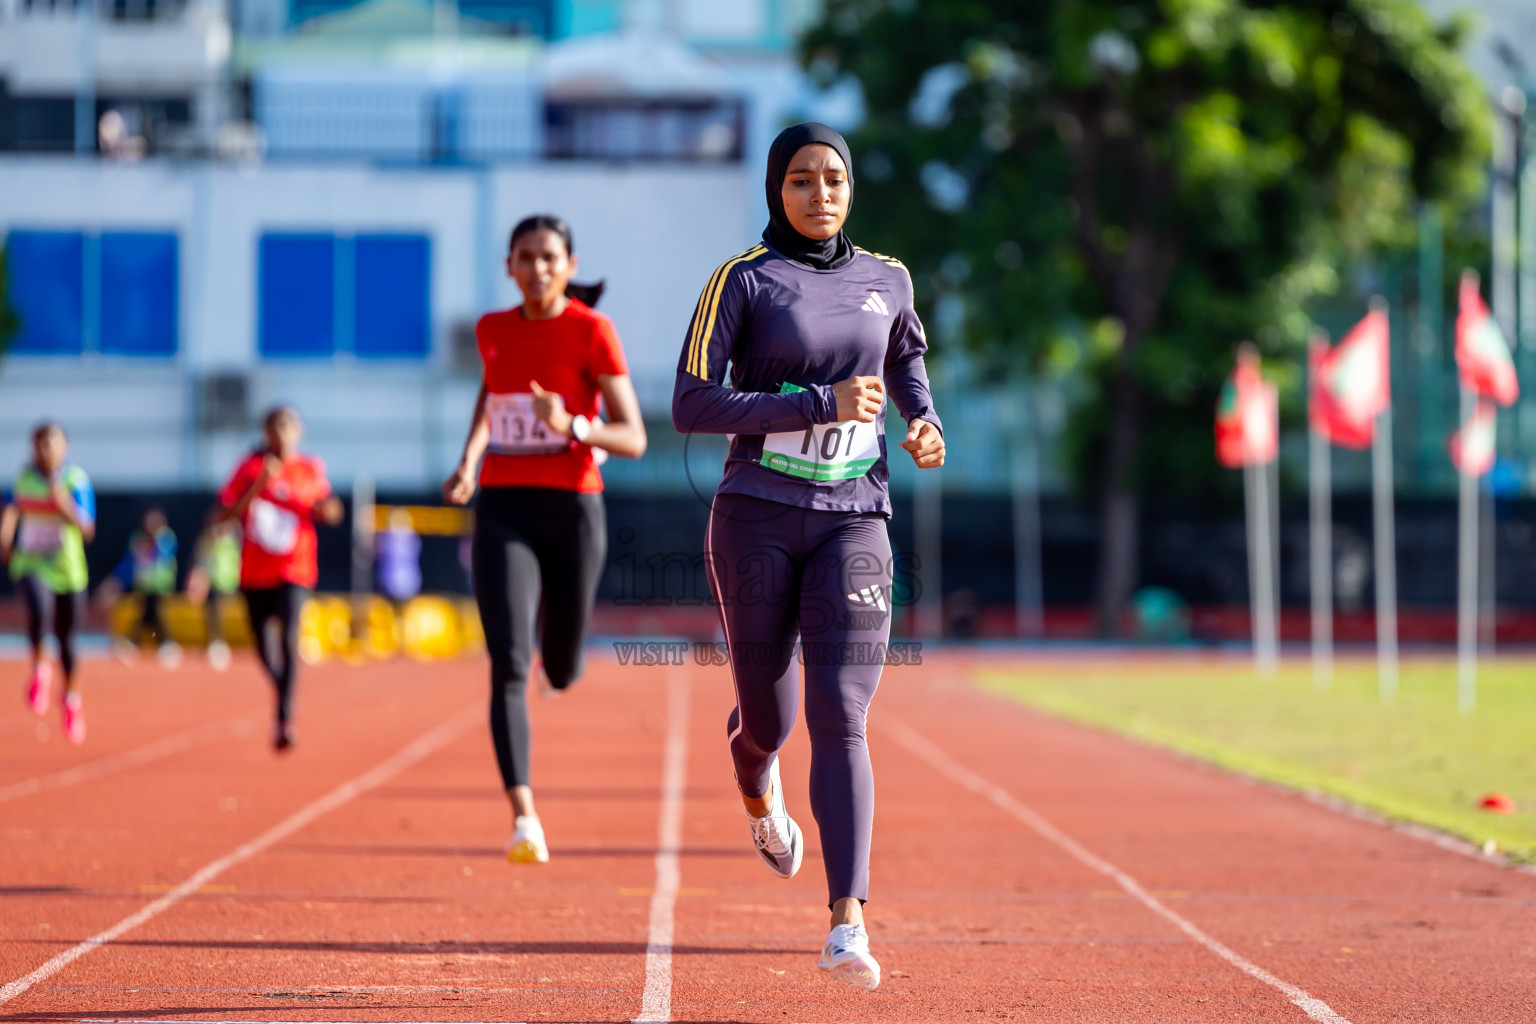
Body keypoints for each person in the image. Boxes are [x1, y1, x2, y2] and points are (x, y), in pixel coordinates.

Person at [671, 122, 946, 990]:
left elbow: (906, 358)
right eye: (800, 180)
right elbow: (690, 405)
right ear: (774, 189)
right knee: (771, 723)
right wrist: (817, 401)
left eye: (833, 179)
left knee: (842, 710)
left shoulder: (888, 278)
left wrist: (923, 420)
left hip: (854, 518)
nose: (819, 194)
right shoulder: (744, 280)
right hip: (755, 516)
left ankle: (847, 922)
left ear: (851, 189)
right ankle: (756, 777)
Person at [444, 214, 646, 865]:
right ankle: (524, 816)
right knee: (506, 661)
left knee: (558, 662)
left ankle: (561, 666)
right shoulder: (492, 329)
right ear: (509, 266)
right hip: (503, 506)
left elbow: (633, 437)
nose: (536, 268)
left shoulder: (592, 331)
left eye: (549, 257)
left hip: (573, 508)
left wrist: (574, 425)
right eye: (525, 257)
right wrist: (470, 461)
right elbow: (490, 395)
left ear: (568, 263)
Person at [216, 406, 343, 750]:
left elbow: (329, 509)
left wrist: (323, 508)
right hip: (255, 571)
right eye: (276, 426)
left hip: (295, 568)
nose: (282, 432)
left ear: (298, 432)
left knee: (289, 636)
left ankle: (284, 715)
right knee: (261, 643)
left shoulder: (309, 469)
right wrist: (259, 485)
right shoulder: (250, 467)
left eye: (289, 425)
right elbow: (223, 514)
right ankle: (282, 686)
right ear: (266, 430)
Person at [0, 422, 97, 744]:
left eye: (51, 444)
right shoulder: (25, 478)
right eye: (40, 444)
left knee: (68, 642)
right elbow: (13, 508)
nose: (45, 451)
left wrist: (63, 505)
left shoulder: (75, 481)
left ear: (64, 447)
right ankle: (40, 669)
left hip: (68, 569)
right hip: (31, 562)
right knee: (39, 609)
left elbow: (87, 530)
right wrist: (6, 533)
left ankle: (71, 700)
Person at [104, 507, 181, 667]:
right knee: (148, 614)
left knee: (153, 613)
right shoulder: (136, 539)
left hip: (161, 585)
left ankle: (141, 643)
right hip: (144, 585)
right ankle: (162, 644)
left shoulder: (166, 538)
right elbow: (129, 562)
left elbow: (162, 555)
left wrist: (150, 544)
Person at [186, 515, 241, 671]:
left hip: (227, 583)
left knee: (218, 613)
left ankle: (218, 643)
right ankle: (215, 643)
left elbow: (236, 562)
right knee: (212, 613)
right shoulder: (209, 541)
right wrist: (198, 579)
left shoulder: (232, 542)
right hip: (212, 582)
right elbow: (200, 561)